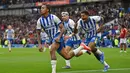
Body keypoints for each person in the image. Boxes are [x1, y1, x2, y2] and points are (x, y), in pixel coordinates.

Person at [36, 5, 90, 73]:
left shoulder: (53, 17)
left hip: (58, 36)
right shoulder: (39, 21)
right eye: (41, 8)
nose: (41, 9)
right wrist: (39, 44)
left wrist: (59, 37)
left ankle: (53, 71)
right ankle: (82, 47)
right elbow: (38, 32)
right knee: (67, 57)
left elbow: (63, 28)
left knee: (52, 49)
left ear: (48, 10)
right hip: (52, 39)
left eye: (43, 8)